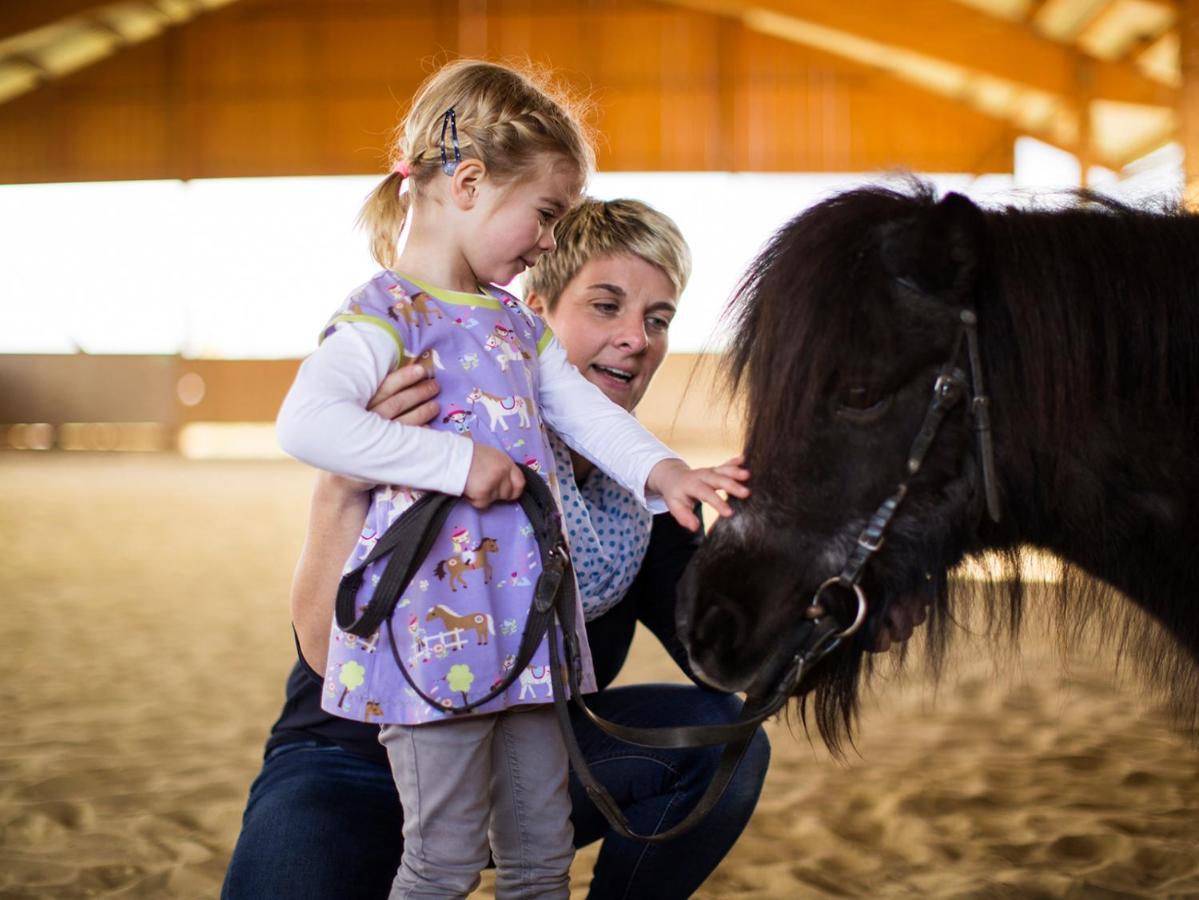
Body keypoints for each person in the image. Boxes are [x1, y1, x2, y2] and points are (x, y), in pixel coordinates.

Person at [272, 60, 749, 899]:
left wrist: (668, 471)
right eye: (546, 217)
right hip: (399, 691)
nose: (547, 239)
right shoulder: (387, 317)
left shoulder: (513, 333)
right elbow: (307, 423)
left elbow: (599, 423)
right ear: (466, 183)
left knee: (538, 859)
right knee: (441, 861)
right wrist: (453, 461)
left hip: (525, 664)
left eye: (657, 317)